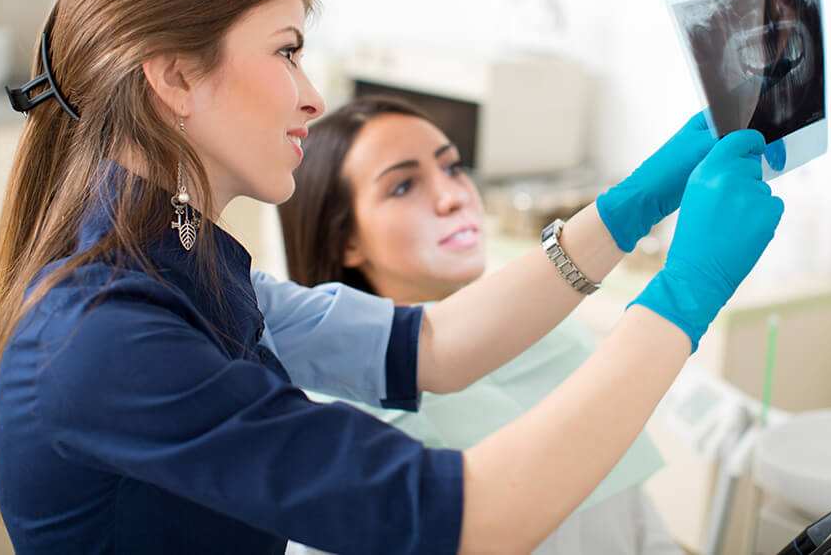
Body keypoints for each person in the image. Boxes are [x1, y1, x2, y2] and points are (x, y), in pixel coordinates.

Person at [0, 0, 784, 555]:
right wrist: (685, 294)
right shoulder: (108, 339)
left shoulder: (187, 271)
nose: (312, 95)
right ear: (174, 76)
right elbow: (478, 516)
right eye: (287, 52)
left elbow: (434, 343)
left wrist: (631, 205)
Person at [275, 95, 680, 554]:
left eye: (452, 167)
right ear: (344, 240)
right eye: (403, 186)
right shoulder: (344, 421)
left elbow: (636, 524)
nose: (453, 196)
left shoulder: (560, 339)